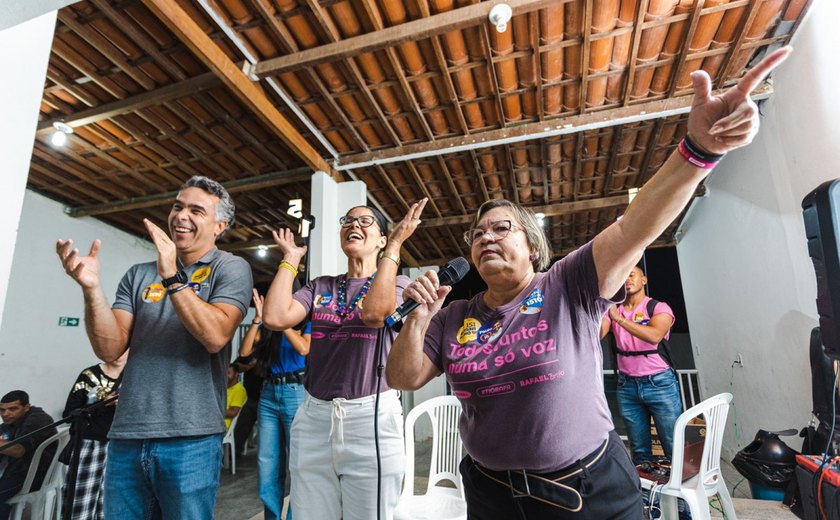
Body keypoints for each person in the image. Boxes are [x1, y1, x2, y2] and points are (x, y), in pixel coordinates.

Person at [386, 47, 792, 519]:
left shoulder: (567, 284)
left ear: (533, 247)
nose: (485, 237)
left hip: (588, 491)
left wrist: (699, 151)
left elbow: (632, 227)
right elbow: (403, 377)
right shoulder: (454, 315)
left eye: (501, 228)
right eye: (477, 234)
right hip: (492, 495)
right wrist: (417, 321)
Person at [56, 175, 253, 519]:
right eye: (177, 206)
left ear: (220, 225)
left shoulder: (231, 267)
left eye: (196, 210)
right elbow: (110, 348)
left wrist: (173, 277)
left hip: (191, 438)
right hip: (127, 434)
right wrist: (91, 289)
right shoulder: (138, 274)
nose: (180, 216)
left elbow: (215, 336)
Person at [262, 198, 427, 520]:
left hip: (371, 418)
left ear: (381, 240)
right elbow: (275, 316)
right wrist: (291, 259)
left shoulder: (400, 285)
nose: (354, 225)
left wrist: (395, 245)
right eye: (348, 220)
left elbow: (375, 314)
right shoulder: (320, 286)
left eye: (366, 221)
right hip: (314, 418)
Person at [239, 289, 311, 520]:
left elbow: (303, 348)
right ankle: (272, 517)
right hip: (268, 395)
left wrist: (282, 322)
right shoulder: (267, 327)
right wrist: (259, 318)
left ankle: (293, 516)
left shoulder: (306, 323)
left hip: (295, 393)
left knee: (297, 463)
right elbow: (244, 352)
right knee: (267, 463)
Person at [600, 265, 680, 465]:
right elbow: (596, 336)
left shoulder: (658, 308)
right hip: (626, 385)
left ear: (643, 280)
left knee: (673, 444)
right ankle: (646, 494)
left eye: (632, 275)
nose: (627, 279)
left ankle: (681, 495)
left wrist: (619, 319)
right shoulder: (613, 310)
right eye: (622, 276)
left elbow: (654, 335)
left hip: (659, 383)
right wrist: (600, 309)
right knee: (639, 449)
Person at [61, 351, 128, 520]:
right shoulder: (89, 376)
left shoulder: (135, 375)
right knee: (80, 502)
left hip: (122, 445)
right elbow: (69, 413)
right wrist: (103, 402)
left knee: (111, 505)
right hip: (90, 444)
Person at [0, 390, 57, 520]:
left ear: (26, 407)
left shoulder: (38, 419)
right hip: (17, 471)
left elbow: (19, 450)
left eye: (12, 409)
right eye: (2, 410)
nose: (6, 414)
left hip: (36, 475)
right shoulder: (9, 424)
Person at [226, 365, 248, 431]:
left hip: (223, 428)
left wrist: (214, 412)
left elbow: (233, 412)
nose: (225, 375)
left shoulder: (239, 390)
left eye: (228, 373)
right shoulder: (223, 387)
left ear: (236, 374)